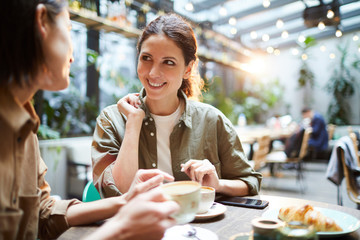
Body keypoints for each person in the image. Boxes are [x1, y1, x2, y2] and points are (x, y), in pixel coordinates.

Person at [0, 1, 179, 239]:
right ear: (42, 22)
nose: (73, 53)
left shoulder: (25, 126)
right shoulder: (111, 117)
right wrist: (119, 230)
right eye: (69, 29)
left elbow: (42, 213)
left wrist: (125, 201)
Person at [92, 13, 262, 198]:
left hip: (200, 225)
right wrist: (133, 122)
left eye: (169, 62)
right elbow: (116, 192)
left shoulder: (212, 120)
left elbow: (249, 181)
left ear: (188, 69)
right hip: (137, 225)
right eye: (146, 58)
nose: (153, 73)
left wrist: (218, 184)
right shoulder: (112, 119)